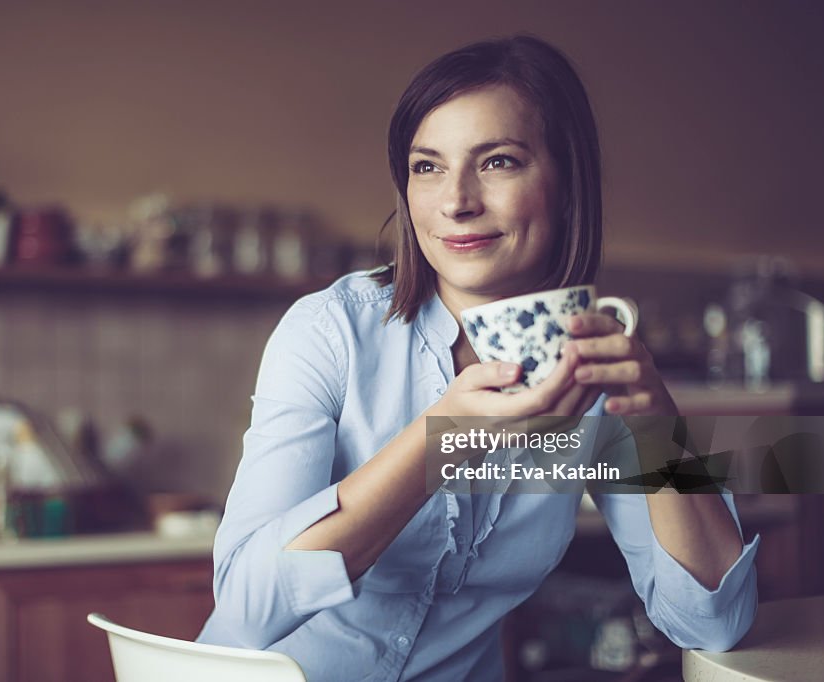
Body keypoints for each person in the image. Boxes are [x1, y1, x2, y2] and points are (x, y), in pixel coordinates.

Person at [196, 35, 758, 681]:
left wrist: (658, 430)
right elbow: (245, 604)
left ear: (567, 183)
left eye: (498, 161)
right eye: (427, 166)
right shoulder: (330, 331)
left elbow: (713, 623)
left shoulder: (594, 378)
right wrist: (443, 443)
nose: (456, 200)